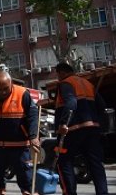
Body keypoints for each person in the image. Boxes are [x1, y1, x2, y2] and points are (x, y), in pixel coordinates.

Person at [53, 62, 108, 195]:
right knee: (96, 164)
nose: (58, 78)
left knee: (64, 162)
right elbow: (102, 106)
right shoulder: (88, 84)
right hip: (92, 129)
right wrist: (100, 126)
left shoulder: (66, 83)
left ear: (62, 73)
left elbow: (71, 102)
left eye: (58, 75)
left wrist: (63, 123)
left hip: (72, 130)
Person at [0, 67, 39, 195]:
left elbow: (33, 115)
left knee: (27, 181)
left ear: (11, 82)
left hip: (19, 146)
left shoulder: (22, 93)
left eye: (6, 88)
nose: (2, 92)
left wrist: (33, 136)